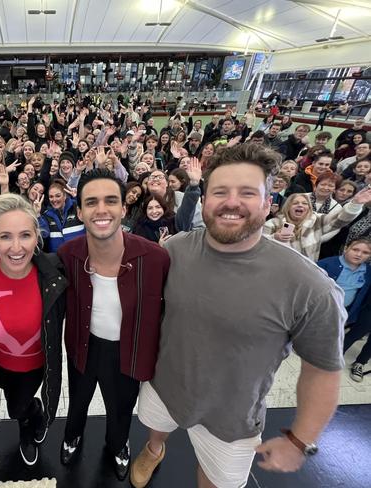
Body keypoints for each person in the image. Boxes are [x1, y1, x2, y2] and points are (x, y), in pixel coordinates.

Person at [131, 144, 349, 488]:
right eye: (220, 191)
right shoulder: (174, 251)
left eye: (247, 192)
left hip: (231, 419)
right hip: (165, 386)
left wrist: (299, 440)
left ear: (268, 202)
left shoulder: (310, 287)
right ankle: (154, 449)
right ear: (204, 200)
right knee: (156, 427)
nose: (231, 202)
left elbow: (323, 370)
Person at [57, 169, 170, 481]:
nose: (101, 209)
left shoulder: (156, 258)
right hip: (83, 344)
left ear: (124, 208)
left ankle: (118, 445)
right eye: (91, 202)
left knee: (121, 406)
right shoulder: (68, 254)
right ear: (79, 211)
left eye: (111, 200)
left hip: (129, 349)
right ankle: (71, 437)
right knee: (77, 399)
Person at [0, 194, 67, 466]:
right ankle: (28, 412)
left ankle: (29, 424)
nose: (16, 247)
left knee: (18, 407)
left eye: (25, 235)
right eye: (6, 236)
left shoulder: (54, 272)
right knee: (11, 401)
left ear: (37, 238)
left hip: (34, 367)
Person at [317, 238, 371, 383]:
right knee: (315, 327)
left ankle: (326, 354)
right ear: (346, 247)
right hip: (322, 308)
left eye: (365, 252)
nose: (359, 255)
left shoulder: (367, 271)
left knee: (333, 330)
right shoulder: (327, 263)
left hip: (344, 310)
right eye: (355, 250)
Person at [264, 191, 369, 261]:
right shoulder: (273, 223)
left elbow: (339, 220)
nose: (300, 205)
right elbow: (258, 246)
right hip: (277, 268)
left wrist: (355, 204)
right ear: (288, 207)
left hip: (305, 271)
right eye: (295, 203)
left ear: (309, 208)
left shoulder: (317, 221)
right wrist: (274, 238)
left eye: (304, 203)